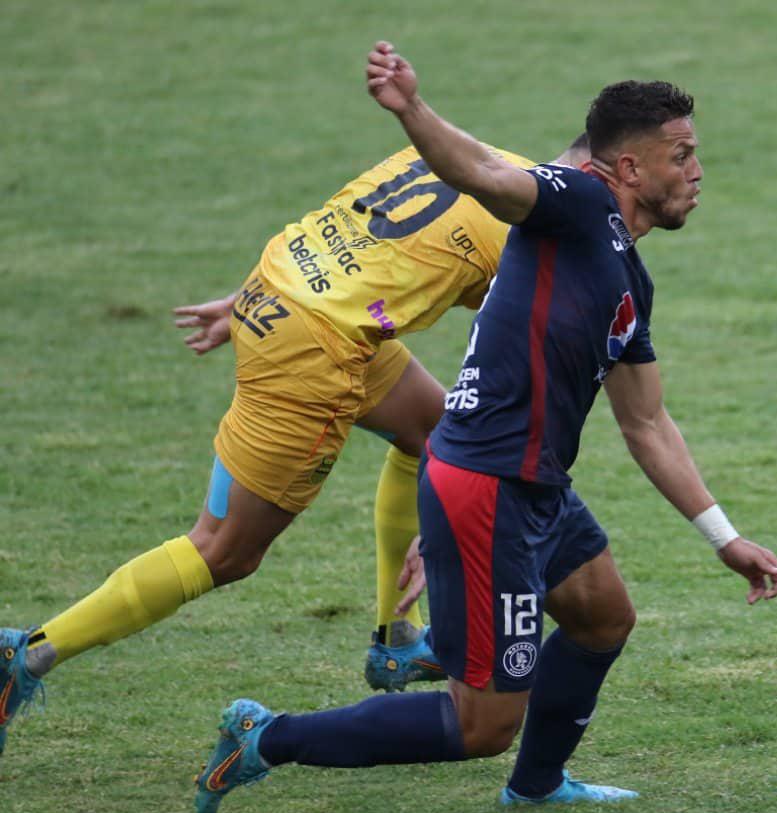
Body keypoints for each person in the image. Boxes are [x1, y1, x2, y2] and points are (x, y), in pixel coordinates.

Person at [190, 40, 777, 813]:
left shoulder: (628, 277)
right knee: (482, 725)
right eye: (681, 155)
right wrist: (411, 108)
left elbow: (646, 422)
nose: (697, 170)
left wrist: (724, 537)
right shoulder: (577, 200)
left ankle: (538, 786)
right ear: (632, 169)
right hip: (488, 486)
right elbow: (483, 174)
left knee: (603, 615)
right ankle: (265, 737)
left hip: (534, 484)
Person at [0, 130, 592, 756]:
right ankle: (30, 654)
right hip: (318, 346)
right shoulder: (535, 228)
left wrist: (247, 301)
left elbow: (342, 230)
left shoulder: (457, 154)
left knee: (431, 431)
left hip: (284, 292)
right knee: (224, 550)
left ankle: (396, 640)